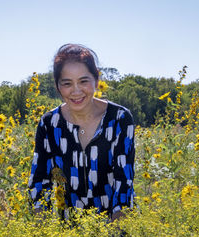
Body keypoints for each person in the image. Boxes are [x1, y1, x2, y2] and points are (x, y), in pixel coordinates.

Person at [28, 43, 135, 222]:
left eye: (83, 81)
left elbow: (124, 184)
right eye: (67, 83)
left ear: (96, 80)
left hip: (115, 228)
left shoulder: (119, 119)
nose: (76, 91)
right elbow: (39, 183)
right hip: (68, 236)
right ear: (57, 86)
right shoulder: (49, 124)